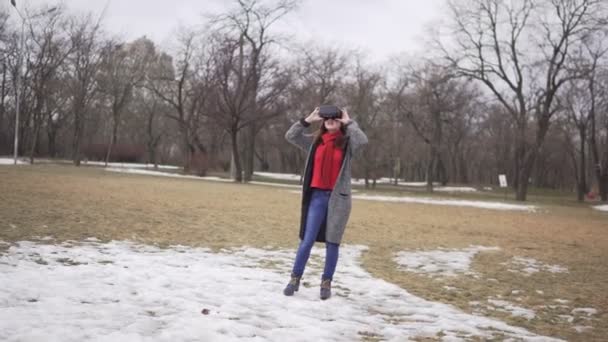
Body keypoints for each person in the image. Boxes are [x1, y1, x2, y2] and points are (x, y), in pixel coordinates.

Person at [283, 106, 368, 300]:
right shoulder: (315, 142)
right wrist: (308, 119)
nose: (331, 120)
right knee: (307, 240)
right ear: (322, 121)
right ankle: (294, 279)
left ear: (340, 122)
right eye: (327, 118)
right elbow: (291, 135)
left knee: (332, 243)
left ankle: (326, 283)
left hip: (339, 199)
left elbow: (362, 140)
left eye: (335, 118)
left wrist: (348, 121)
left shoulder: (348, 144)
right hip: (317, 197)